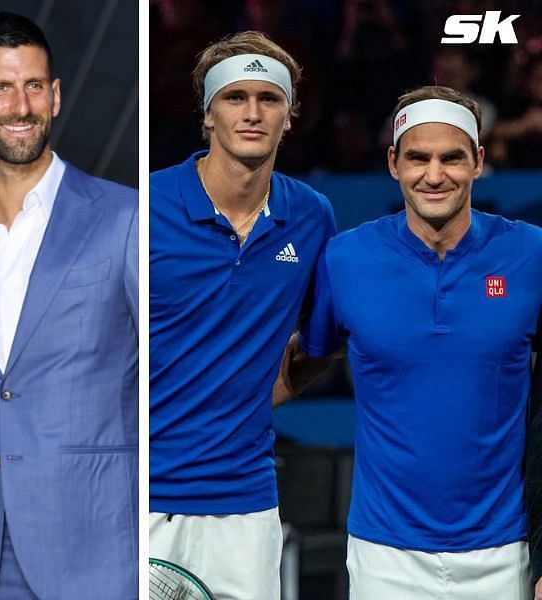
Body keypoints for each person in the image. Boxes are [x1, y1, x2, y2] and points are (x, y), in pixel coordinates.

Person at [0, 12, 138, 599]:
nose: (21, 106)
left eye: (34, 85)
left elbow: (165, 371)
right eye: (1, 87)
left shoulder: (124, 217)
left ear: (56, 95)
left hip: (100, 545)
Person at [300, 86, 537, 598]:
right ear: (393, 162)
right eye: (418, 158)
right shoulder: (344, 259)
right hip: (385, 555)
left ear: (477, 161)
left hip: (504, 552)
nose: (434, 175)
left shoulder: (532, 254)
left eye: (451, 158)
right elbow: (302, 363)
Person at [149, 31, 336, 599]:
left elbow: (321, 346)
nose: (252, 113)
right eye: (235, 98)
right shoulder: (144, 209)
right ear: (208, 114)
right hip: (139, 498)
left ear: (289, 114)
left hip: (245, 503)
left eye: (269, 98)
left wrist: (250, 400)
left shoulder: (310, 216)